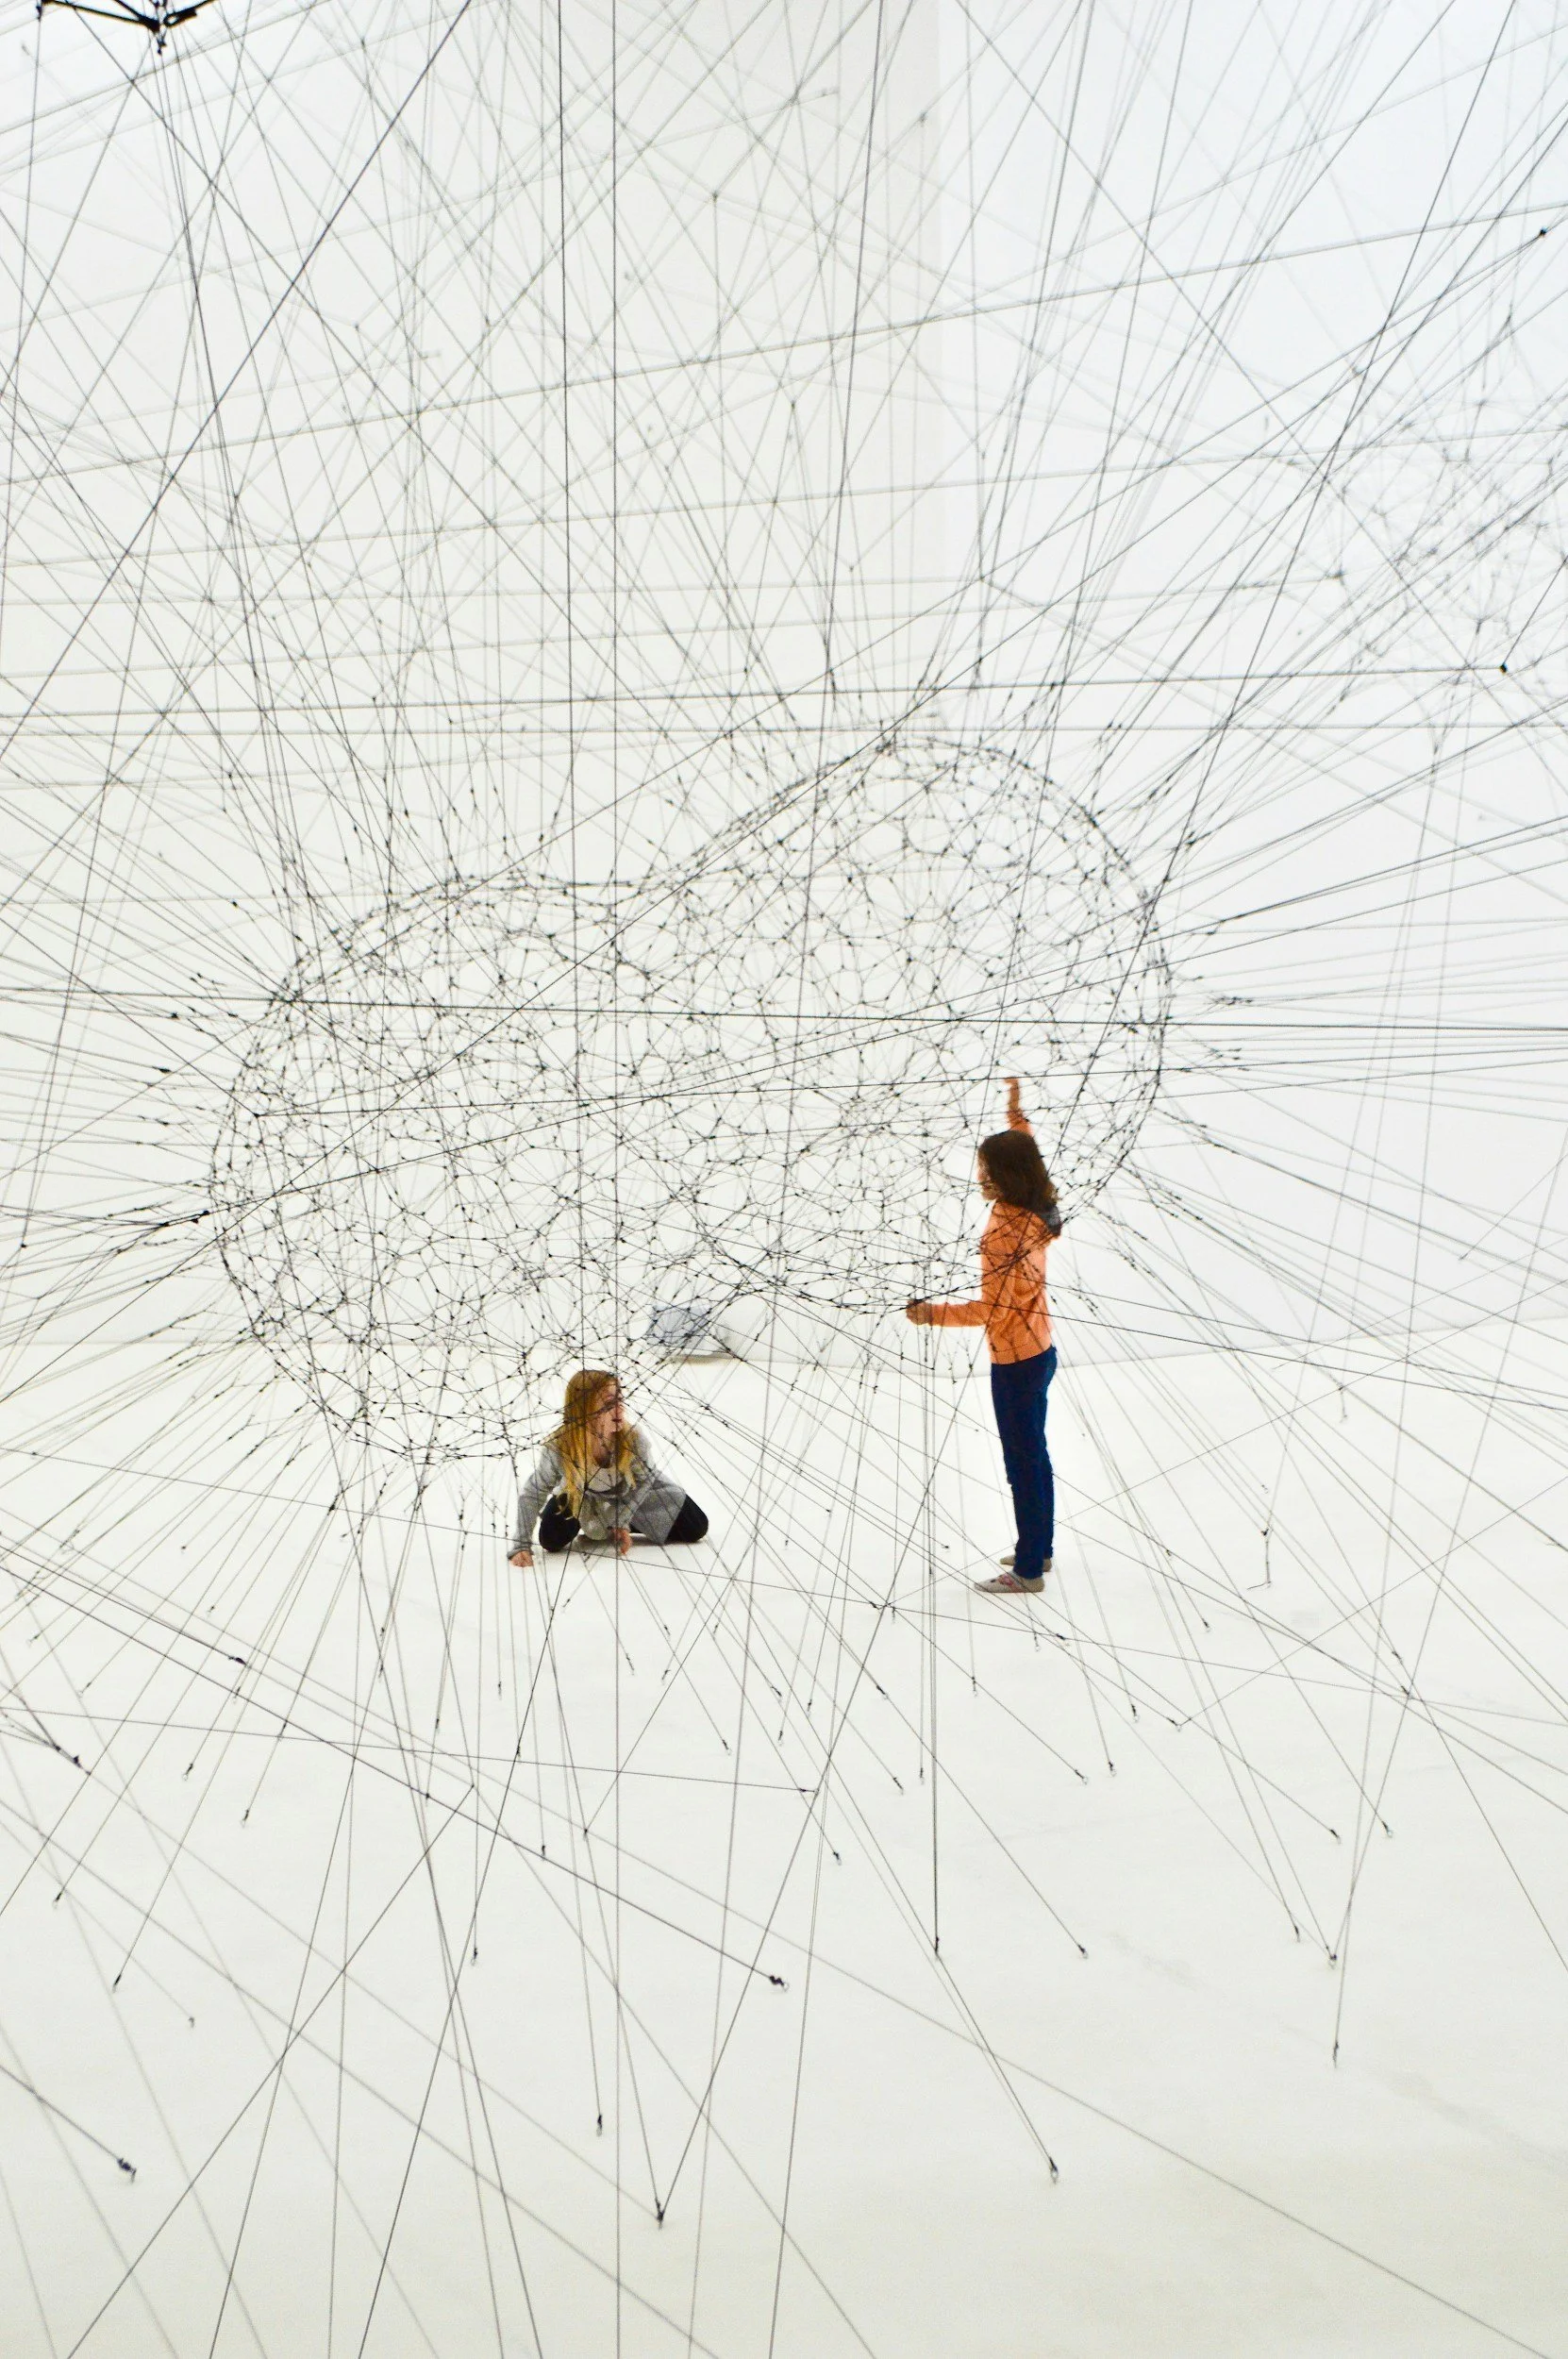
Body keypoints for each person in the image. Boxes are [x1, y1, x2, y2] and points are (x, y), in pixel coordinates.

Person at [907, 1079, 1061, 1596]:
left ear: (1003, 1175)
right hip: (1042, 1348)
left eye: (986, 1169)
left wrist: (931, 1314)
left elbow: (991, 1312)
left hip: (1015, 1359)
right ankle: (1039, 1546)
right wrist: (1015, 1113)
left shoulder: (1004, 1232)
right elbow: (1029, 1146)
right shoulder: (1039, 1207)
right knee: (1035, 1453)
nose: (980, 1176)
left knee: (1022, 1463)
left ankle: (1029, 1571)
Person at [507, 1368, 709, 1567]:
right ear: (584, 1409)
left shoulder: (633, 1439)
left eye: (620, 1400)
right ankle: (597, 1521)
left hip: (628, 1494)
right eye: (609, 1403)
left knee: (696, 1527)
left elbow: (645, 1479)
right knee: (551, 1540)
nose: (619, 1408)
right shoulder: (560, 1446)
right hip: (581, 1497)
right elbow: (533, 1491)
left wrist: (622, 1520)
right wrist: (521, 1545)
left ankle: (620, 1523)